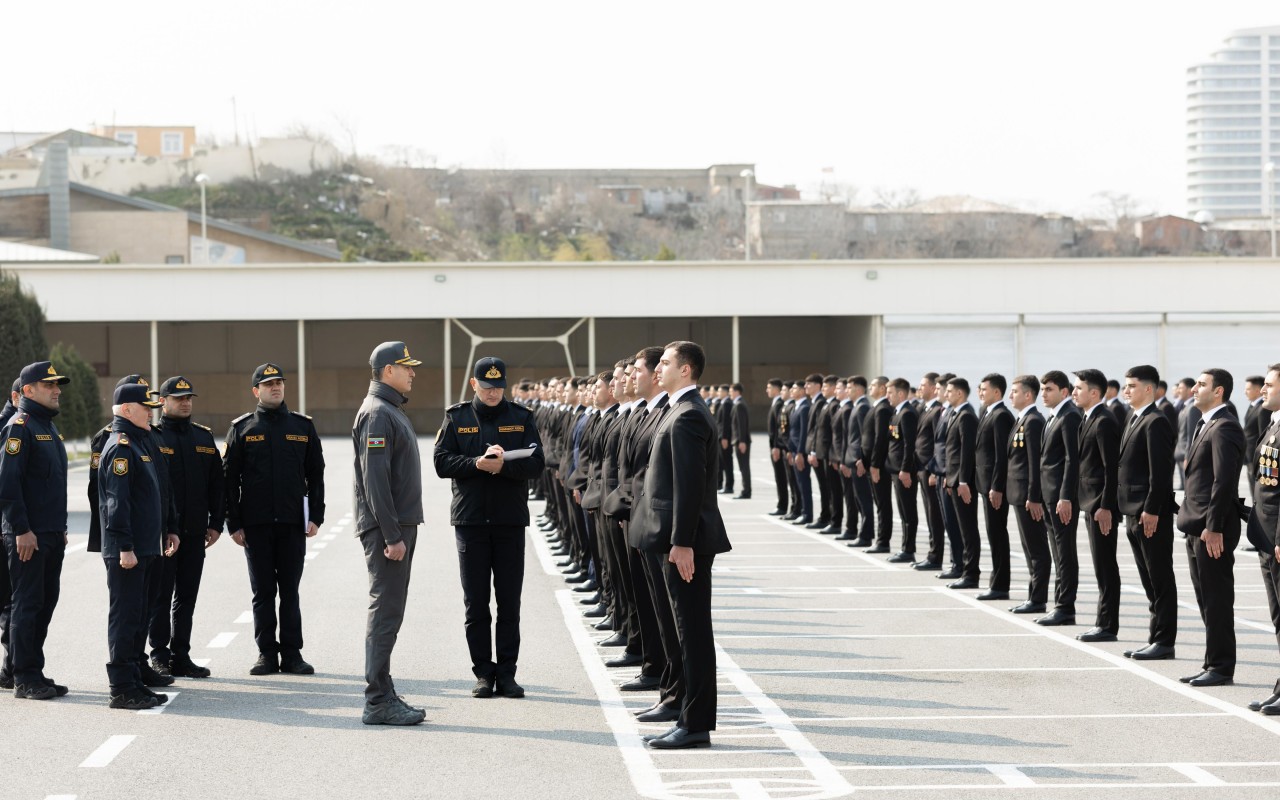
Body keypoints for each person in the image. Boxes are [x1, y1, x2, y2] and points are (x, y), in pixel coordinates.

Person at [630, 341, 731, 750]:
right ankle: (686, 714)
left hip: (682, 542)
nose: (659, 369)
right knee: (680, 630)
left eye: (667, 363)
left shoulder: (688, 416)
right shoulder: (676, 409)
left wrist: (682, 542)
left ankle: (696, 723)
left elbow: (689, 487)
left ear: (686, 370)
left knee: (692, 633)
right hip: (669, 537)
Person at [433, 356, 545, 699]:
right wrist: (476, 464)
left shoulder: (521, 417)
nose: (493, 393)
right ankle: (483, 673)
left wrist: (503, 469)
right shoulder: (457, 417)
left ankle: (507, 674)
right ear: (474, 385)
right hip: (471, 522)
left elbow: (537, 463)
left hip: (510, 521)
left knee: (509, 603)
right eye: (486, 387)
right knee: (476, 604)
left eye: (498, 387)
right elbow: (440, 461)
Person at [224, 363, 326, 676]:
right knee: (264, 592)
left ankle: (292, 654)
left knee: (290, 591)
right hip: (256, 525)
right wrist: (234, 522)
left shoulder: (302, 426)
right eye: (268, 384)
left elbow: (315, 474)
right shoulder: (242, 428)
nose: (275, 387)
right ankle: (266, 654)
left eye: (279, 382)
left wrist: (316, 516)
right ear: (256, 391)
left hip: (293, 523)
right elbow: (229, 480)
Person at [353, 342, 426, 725]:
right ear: (386, 371)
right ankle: (377, 699)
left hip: (395, 526)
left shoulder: (389, 410)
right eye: (405, 367)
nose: (412, 372)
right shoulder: (379, 413)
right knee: (385, 612)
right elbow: (374, 480)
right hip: (389, 530)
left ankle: (383, 690)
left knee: (391, 612)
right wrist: (392, 534)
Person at [98, 383, 172, 710]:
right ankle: (122, 688)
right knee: (126, 617)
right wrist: (125, 546)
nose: (150, 413)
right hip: (128, 551)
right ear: (127, 410)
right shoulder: (121, 447)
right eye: (145, 407)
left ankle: (134, 680)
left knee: (139, 615)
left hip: (144, 547)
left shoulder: (139, 443)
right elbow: (117, 503)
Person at [0, 361, 70, 700]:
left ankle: (32, 669)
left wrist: (60, 528)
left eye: (57, 385)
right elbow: (7, 484)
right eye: (49, 385)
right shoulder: (20, 426)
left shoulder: (48, 427)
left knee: (45, 602)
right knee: (27, 603)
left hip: (51, 533)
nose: (57, 390)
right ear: (27, 391)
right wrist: (21, 529)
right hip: (28, 536)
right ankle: (24, 677)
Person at [150, 376, 224, 679]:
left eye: (188, 398)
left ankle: (181, 655)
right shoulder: (154, 437)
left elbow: (217, 485)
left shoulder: (203, 438)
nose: (185, 403)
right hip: (164, 534)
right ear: (163, 402)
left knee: (187, 596)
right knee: (160, 595)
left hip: (195, 532)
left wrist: (216, 524)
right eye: (178, 398)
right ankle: (159, 654)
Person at [1177, 369, 1245, 688]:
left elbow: (1224, 480)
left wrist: (1214, 526)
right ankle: (1211, 661)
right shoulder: (1206, 424)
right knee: (1206, 596)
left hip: (1212, 528)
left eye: (1201, 385)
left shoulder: (1225, 426)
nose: (1193, 389)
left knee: (1216, 598)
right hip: (1197, 525)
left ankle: (1221, 666)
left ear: (1218, 392)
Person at [1118, 365, 1178, 661]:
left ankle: (1164, 640)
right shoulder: (1135, 417)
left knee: (1159, 577)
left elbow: (1161, 472)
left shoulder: (1156, 421)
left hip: (1148, 513)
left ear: (1148, 389)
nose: (1125, 390)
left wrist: (1152, 509)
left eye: (1131, 385)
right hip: (1132, 511)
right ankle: (1155, 636)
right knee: (1147, 578)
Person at [1073, 369, 1122, 643]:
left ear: (1094, 392)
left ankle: (1107, 625)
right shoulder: (1088, 418)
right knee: (1100, 564)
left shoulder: (1103, 421)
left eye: (1079, 388)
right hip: (1090, 503)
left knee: (1105, 565)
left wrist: (1106, 505)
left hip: (1101, 506)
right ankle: (1103, 622)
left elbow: (1111, 468)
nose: (1074, 392)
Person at [1247, 363, 1280, 713]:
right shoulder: (1272, 424)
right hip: (1266, 535)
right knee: (1277, 616)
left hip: (1278, 537)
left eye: (1269, 385)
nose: (1263, 390)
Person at [1037, 370, 1081, 626]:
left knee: (1064, 553)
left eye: (1049, 389)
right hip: (1049, 495)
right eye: (1042, 389)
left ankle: (1066, 607)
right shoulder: (1054, 416)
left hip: (1061, 497)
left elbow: (1071, 460)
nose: (1044, 393)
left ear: (1064, 391)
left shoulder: (1069, 416)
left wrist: (1066, 495)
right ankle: (1059, 604)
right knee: (1057, 552)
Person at [1005, 375, 1049, 615]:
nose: (1010, 396)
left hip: (1027, 495)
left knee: (1036, 549)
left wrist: (1034, 496)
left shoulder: (1033, 421)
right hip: (1018, 493)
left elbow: (1034, 462)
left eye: (1014, 392)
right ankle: (1033, 596)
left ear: (1028, 395)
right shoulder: (1022, 419)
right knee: (1029, 548)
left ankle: (1038, 598)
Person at [974, 374, 1013, 600]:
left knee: (997, 534)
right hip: (985, 484)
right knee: (992, 533)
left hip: (994, 487)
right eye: (979, 389)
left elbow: (1001, 455)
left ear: (997, 392)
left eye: (984, 389)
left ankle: (999, 586)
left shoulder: (1000, 416)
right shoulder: (987, 412)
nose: (980, 393)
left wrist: (997, 486)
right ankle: (996, 582)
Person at [885, 378, 918, 562]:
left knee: (908, 510)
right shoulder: (897, 412)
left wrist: (905, 469)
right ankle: (905, 547)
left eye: (890, 393)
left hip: (903, 471)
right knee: (903, 510)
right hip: (895, 469)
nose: (887, 396)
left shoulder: (907, 413)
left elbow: (909, 445)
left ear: (901, 394)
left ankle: (909, 549)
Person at [765, 379, 789, 515]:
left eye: (769, 388)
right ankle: (782, 504)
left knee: (781, 477)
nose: (767, 390)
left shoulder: (780, 403)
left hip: (778, 447)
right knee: (779, 477)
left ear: (777, 389)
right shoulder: (776, 403)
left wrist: (776, 446)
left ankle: (783, 506)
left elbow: (779, 428)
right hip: (775, 446)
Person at [729, 383, 751, 500]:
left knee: (744, 467)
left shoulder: (739, 405)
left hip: (741, 441)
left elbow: (742, 424)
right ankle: (746, 490)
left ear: (737, 392)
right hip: (739, 440)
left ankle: (746, 491)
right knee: (743, 467)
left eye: (731, 391)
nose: (730, 394)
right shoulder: (738, 404)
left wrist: (742, 441)